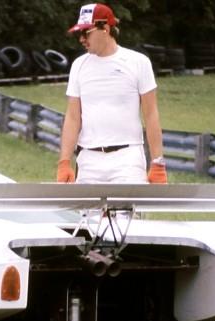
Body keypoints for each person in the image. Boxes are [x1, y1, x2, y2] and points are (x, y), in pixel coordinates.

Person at [57, 3, 167, 185]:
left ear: (105, 29)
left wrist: (158, 163)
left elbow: (151, 114)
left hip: (127, 158)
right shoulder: (79, 65)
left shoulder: (138, 62)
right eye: (79, 34)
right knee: (89, 214)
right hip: (88, 159)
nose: (81, 39)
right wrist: (64, 162)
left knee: (124, 212)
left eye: (86, 33)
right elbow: (73, 117)